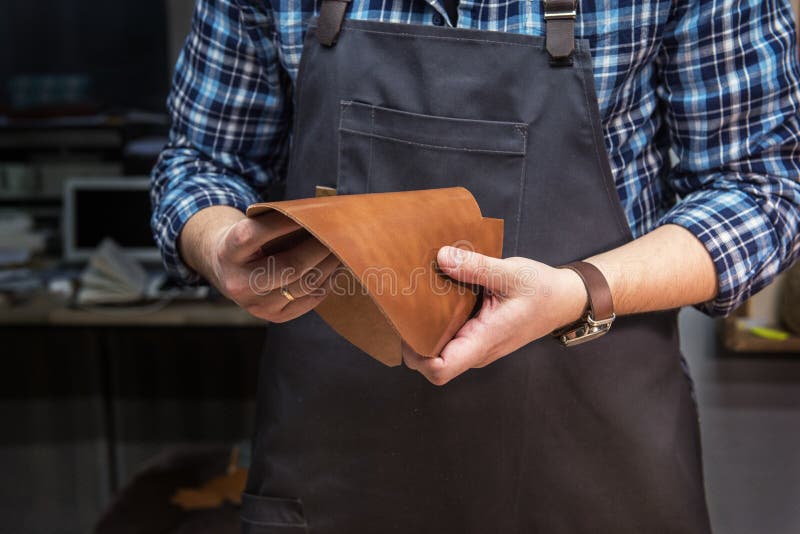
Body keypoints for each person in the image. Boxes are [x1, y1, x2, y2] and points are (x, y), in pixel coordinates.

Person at [151, 0, 800, 531]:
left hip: (593, 459)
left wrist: (580, 290)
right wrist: (219, 243)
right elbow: (201, 163)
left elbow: (763, 190)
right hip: (334, 465)